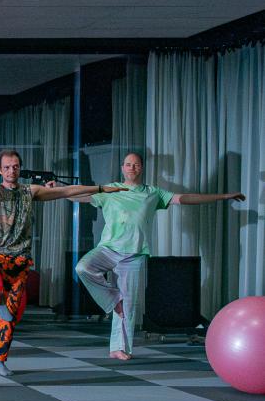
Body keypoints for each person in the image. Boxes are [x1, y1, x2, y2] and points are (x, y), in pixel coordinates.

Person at [0, 149, 125, 377]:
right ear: (0, 170)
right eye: (7, 167)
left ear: (19, 168)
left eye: (15, 167)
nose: (12, 171)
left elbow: (67, 190)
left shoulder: (30, 192)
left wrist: (101, 189)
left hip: (17, 260)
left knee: (10, 315)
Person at [74, 152, 245, 360]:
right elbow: (82, 196)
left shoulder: (152, 193)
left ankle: (119, 348)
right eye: (128, 164)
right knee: (82, 268)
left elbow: (185, 198)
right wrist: (57, 191)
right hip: (108, 249)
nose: (132, 168)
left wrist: (223, 197)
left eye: (136, 165)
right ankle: (112, 298)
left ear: (142, 168)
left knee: (129, 305)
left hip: (134, 254)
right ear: (122, 168)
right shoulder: (110, 190)